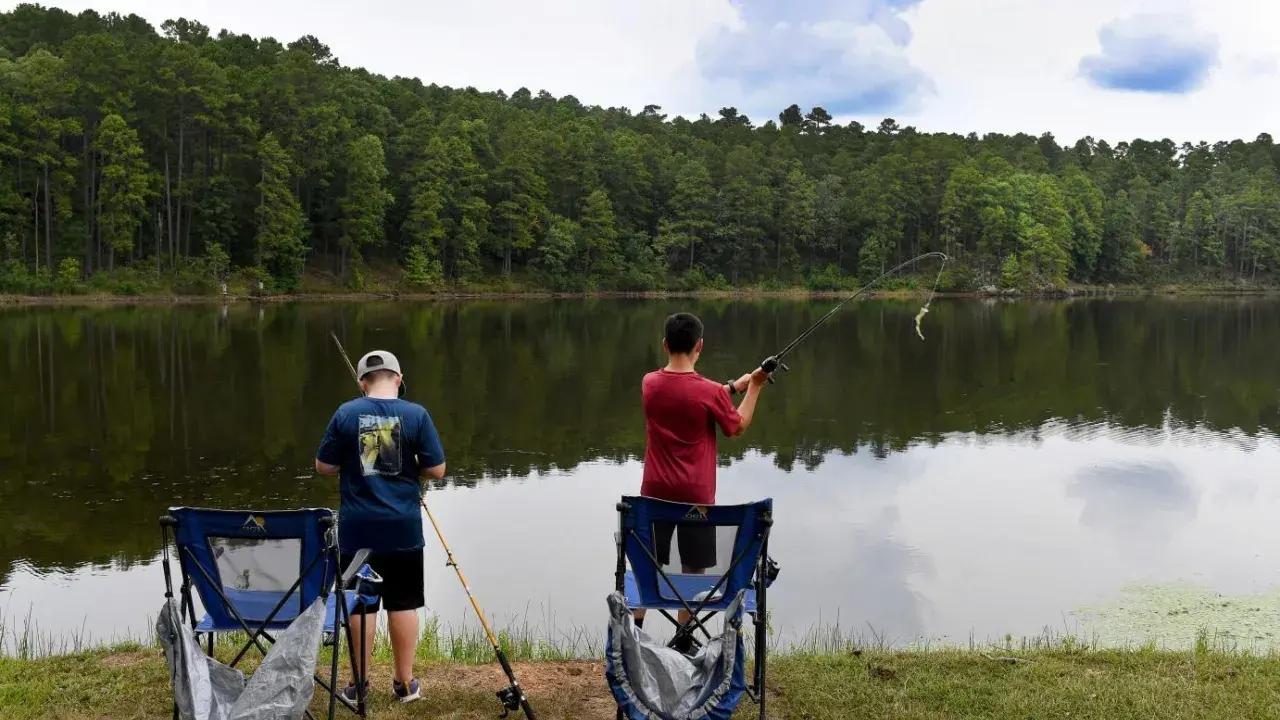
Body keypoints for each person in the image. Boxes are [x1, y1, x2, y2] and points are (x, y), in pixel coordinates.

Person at [315, 349, 445, 704]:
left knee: (361, 604)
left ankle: (359, 687)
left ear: (362, 383)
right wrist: (410, 461)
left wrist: (353, 457)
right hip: (402, 528)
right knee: (403, 603)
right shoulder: (416, 414)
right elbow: (437, 470)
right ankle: (404, 684)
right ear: (399, 379)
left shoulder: (346, 413)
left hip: (358, 531)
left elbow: (323, 466)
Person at [637, 312, 768, 641]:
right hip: (696, 500)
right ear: (701, 346)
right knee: (694, 570)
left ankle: (634, 634)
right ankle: (684, 637)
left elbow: (687, 395)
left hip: (653, 497)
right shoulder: (710, 393)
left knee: (648, 566)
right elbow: (736, 426)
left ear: (665, 344)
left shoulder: (649, 383)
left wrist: (728, 389)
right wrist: (752, 387)